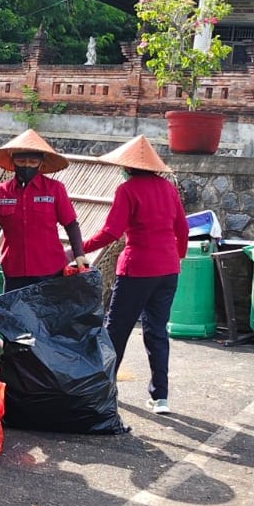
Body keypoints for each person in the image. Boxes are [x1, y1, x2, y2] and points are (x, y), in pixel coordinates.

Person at [82, 136, 188, 415]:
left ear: (126, 167)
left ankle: (104, 390)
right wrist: (178, 257)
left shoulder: (127, 190)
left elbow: (111, 233)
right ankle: (160, 397)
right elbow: (182, 229)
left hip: (137, 268)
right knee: (157, 331)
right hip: (168, 270)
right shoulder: (168, 187)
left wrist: (78, 249)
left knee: (116, 330)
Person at [0, 130, 87, 292]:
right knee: (13, 317)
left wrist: (80, 257)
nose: (27, 166)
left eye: (32, 162)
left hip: (50, 271)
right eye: (21, 161)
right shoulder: (0, 193)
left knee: (46, 317)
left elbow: (71, 224)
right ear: (13, 161)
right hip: (15, 272)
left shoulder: (55, 189)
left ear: (41, 163)